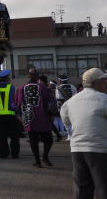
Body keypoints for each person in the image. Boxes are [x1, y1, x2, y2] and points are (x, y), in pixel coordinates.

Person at [60, 68, 107, 199]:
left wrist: (72, 135)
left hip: (77, 149)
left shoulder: (71, 101)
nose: (106, 83)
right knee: (103, 186)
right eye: (104, 81)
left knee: (82, 188)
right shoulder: (104, 99)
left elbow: (66, 120)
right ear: (95, 83)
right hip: (100, 149)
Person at [16, 68, 53, 168]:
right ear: (37, 76)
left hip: (30, 118)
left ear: (28, 76)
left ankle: (38, 161)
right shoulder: (43, 87)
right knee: (48, 139)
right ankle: (44, 157)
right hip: (42, 117)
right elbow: (47, 102)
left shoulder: (22, 88)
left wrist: (20, 116)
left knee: (34, 140)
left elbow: (19, 104)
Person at [56, 74, 77, 140]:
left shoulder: (58, 88)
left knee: (66, 122)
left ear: (60, 80)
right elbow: (76, 96)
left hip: (64, 106)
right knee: (73, 121)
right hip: (73, 105)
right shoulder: (73, 86)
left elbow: (59, 99)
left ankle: (70, 135)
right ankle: (74, 134)